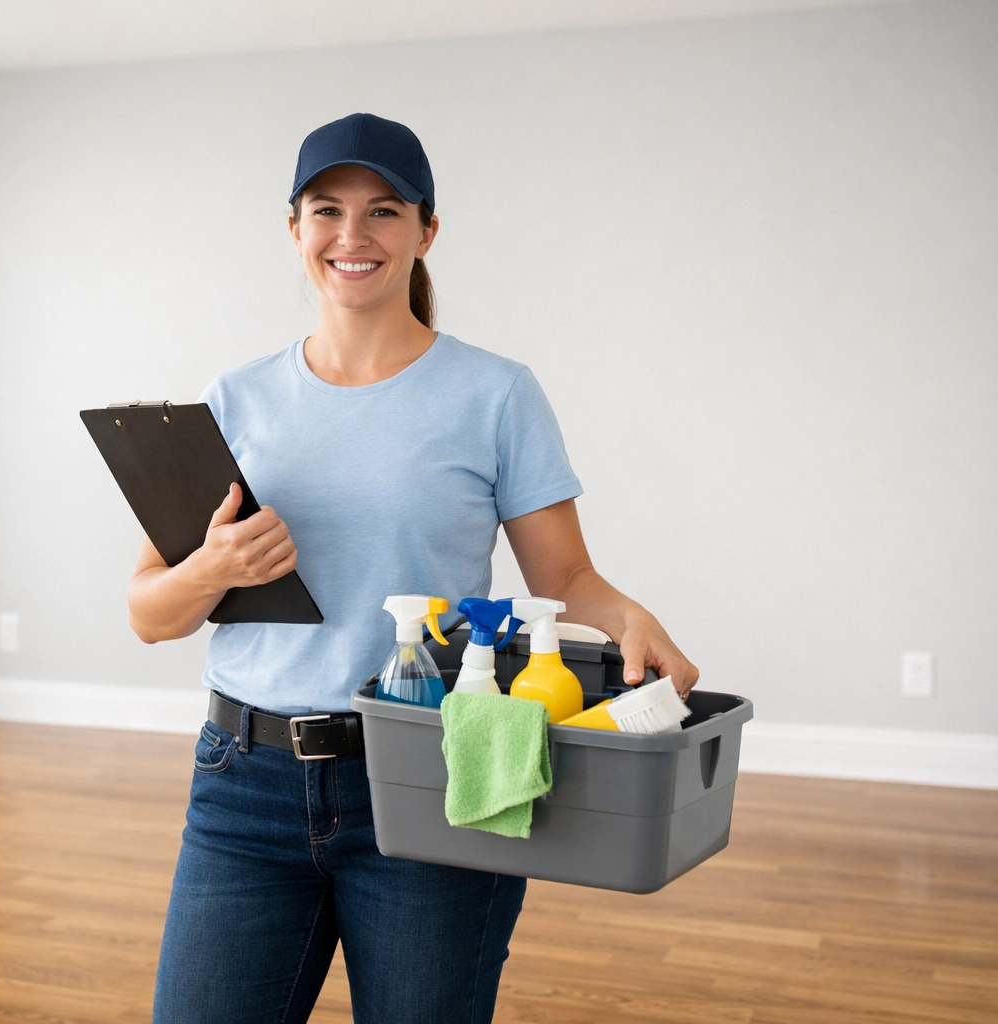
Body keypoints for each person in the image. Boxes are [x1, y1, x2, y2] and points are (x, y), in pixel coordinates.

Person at [129, 113, 698, 1024]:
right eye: (327, 210)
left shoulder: (495, 393)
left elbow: (571, 577)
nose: (352, 237)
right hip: (244, 785)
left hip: (434, 776)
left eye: (384, 211)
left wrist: (628, 617)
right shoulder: (234, 400)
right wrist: (213, 569)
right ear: (293, 229)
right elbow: (151, 613)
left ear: (426, 231)